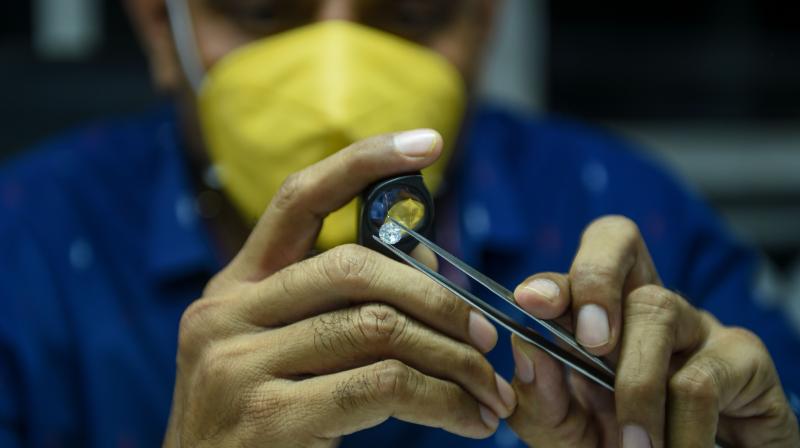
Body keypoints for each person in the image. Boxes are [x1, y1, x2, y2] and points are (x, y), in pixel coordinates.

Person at [1, 0, 798, 446]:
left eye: (411, 11)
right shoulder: (27, 247)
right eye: (263, 8)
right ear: (157, 28)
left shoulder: (634, 215)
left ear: (484, 26)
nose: (337, 80)